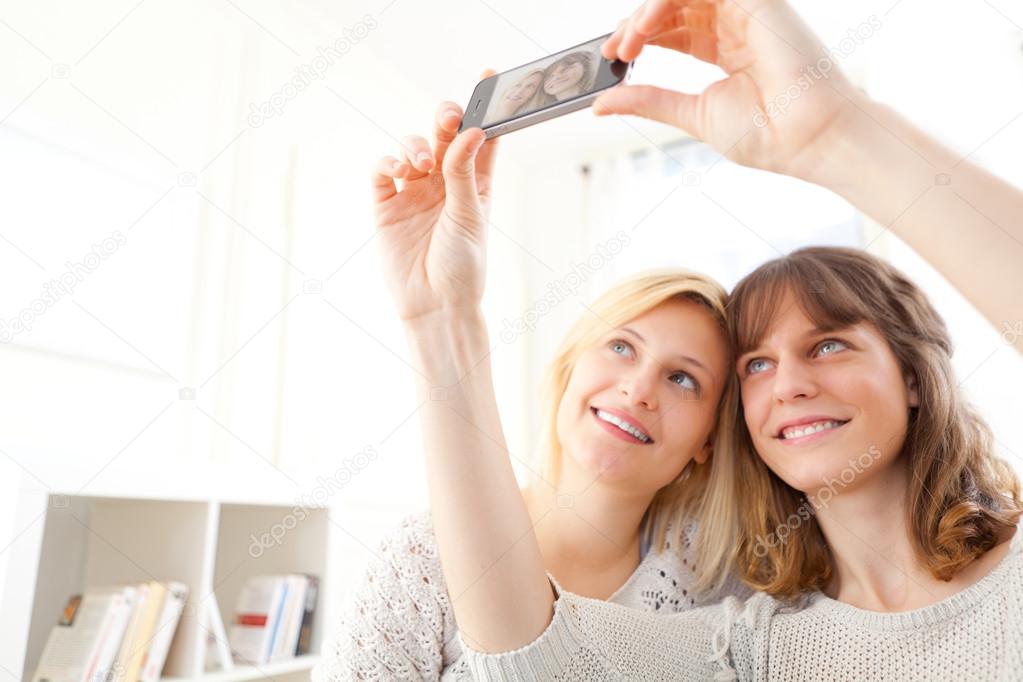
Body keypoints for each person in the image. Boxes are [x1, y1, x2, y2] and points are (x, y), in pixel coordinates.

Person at [362, 0, 1023, 678]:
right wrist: (440, 318)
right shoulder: (745, 645)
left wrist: (831, 134)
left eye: (827, 345)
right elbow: (529, 661)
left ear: (914, 375)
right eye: (757, 364)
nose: (790, 384)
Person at [314, 74, 749, 680]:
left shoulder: (719, 592)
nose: (639, 388)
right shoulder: (420, 560)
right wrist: (439, 313)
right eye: (622, 346)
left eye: (683, 380)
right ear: (570, 368)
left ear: (707, 441)